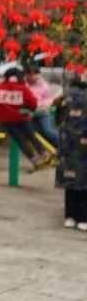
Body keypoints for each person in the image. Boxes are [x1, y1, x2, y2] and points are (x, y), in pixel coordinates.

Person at [0, 67, 53, 170]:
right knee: (31, 136)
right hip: (22, 117)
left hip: (7, 119)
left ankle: (34, 160)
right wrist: (30, 108)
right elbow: (32, 103)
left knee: (20, 140)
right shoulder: (22, 88)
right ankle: (44, 153)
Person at [56, 73, 87, 231]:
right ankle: (84, 218)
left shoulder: (65, 97)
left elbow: (57, 118)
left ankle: (70, 216)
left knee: (71, 181)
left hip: (68, 144)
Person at [26, 66, 60, 145]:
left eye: (35, 74)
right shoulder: (23, 84)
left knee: (48, 130)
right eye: (31, 75)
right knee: (35, 132)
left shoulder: (44, 85)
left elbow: (48, 98)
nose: (33, 77)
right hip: (29, 112)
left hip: (42, 111)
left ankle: (63, 144)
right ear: (27, 75)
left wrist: (44, 106)